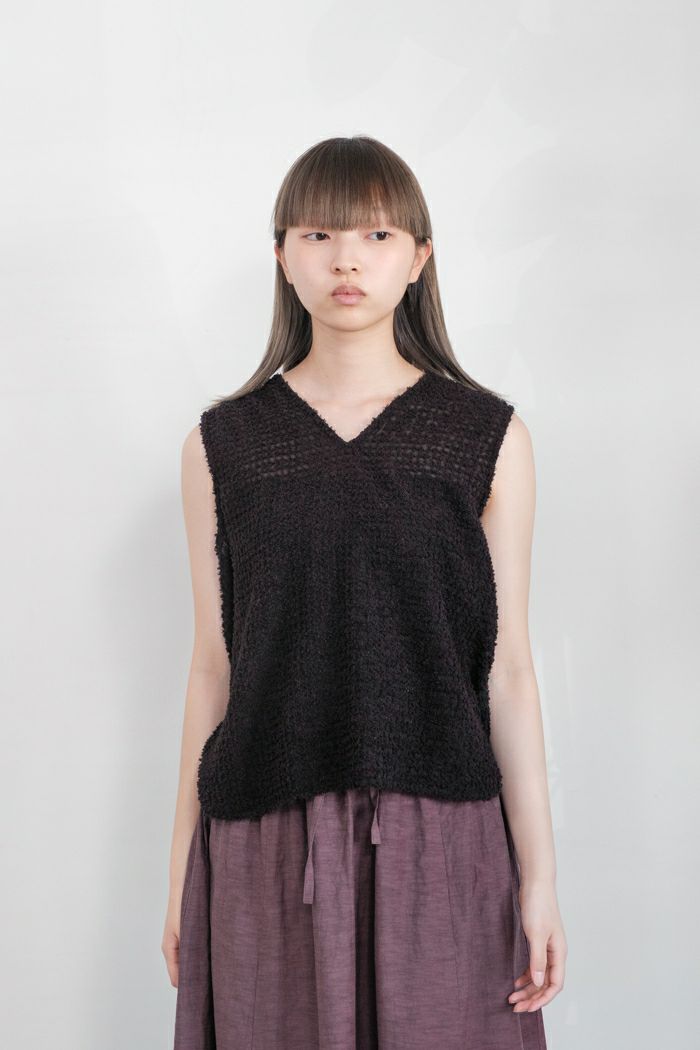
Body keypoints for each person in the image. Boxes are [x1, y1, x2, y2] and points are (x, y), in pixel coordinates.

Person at [163, 135, 566, 1049]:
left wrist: (540, 879)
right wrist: (178, 876)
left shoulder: (486, 437)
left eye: (378, 235)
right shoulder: (222, 446)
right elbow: (212, 669)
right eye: (319, 234)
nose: (347, 259)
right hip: (265, 833)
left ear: (419, 258)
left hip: (442, 833)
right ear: (282, 255)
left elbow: (508, 672)